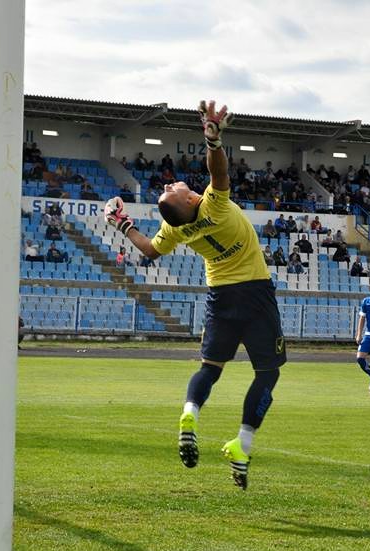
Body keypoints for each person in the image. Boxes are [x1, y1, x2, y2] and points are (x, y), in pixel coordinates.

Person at [102, 99, 285, 490]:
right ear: (189, 201)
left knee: (210, 369)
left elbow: (149, 250)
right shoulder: (213, 207)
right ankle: (243, 443)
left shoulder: (176, 230)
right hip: (254, 293)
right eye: (172, 190)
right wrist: (213, 141)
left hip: (219, 298)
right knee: (268, 372)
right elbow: (218, 173)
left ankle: (190, 412)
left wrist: (122, 224)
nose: (171, 184)